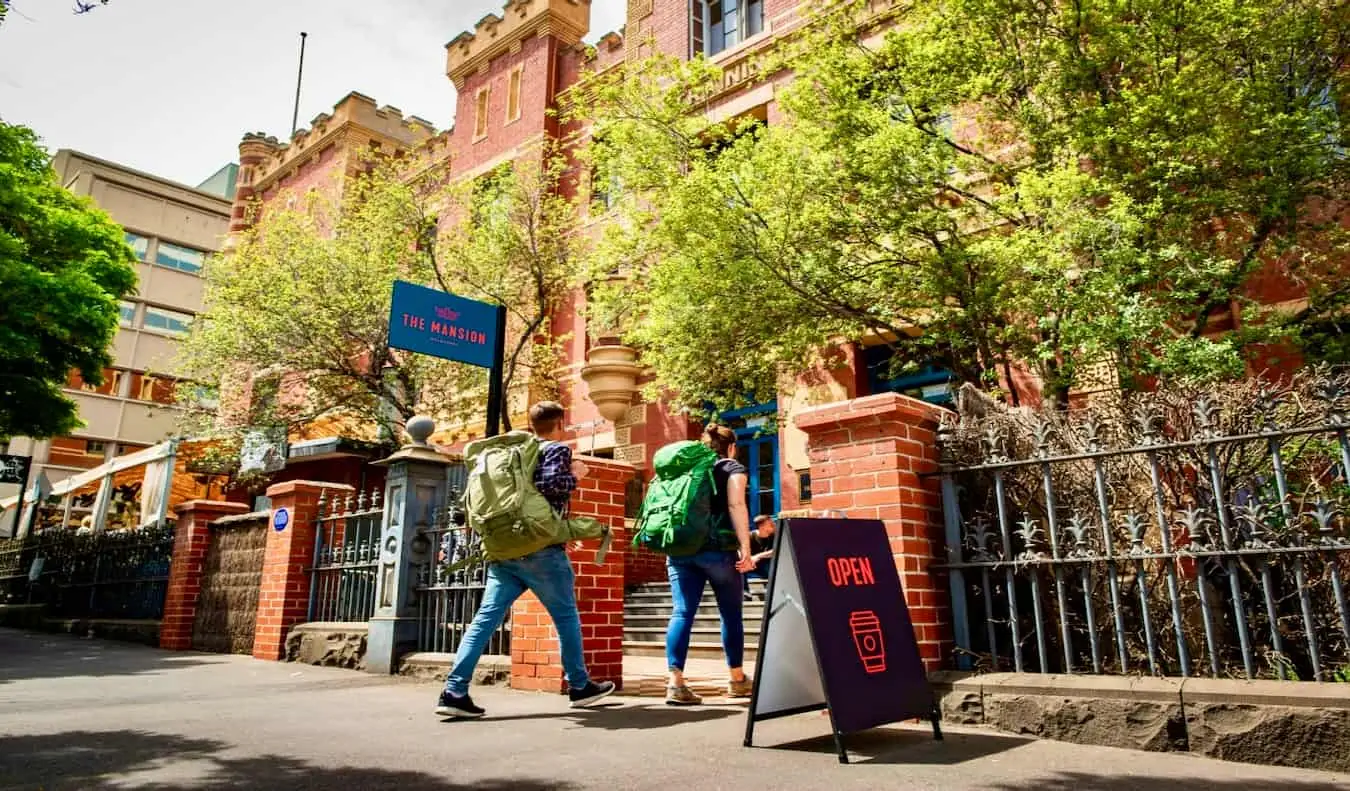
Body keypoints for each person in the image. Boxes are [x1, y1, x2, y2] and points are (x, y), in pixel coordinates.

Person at [435, 401, 616, 719]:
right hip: (541, 552)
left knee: (484, 621)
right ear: (560, 423)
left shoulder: (513, 452)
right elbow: (550, 486)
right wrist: (576, 474)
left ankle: (454, 689)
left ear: (532, 424)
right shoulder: (556, 450)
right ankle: (579, 685)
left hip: (504, 551)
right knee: (566, 617)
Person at [665, 424, 755, 705]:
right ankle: (737, 679)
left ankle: (675, 683)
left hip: (680, 549)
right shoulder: (732, 468)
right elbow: (736, 506)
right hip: (718, 551)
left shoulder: (686, 468)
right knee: (730, 614)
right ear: (731, 447)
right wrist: (747, 549)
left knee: (681, 612)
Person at [742, 514, 776, 600]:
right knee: (741, 565)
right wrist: (748, 559)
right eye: (771, 524)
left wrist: (758, 556)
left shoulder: (775, 536)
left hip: (766, 565)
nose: (774, 525)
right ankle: (745, 592)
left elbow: (775, 551)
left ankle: (771, 591)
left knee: (774, 567)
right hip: (751, 564)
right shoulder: (750, 536)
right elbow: (741, 551)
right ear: (762, 526)